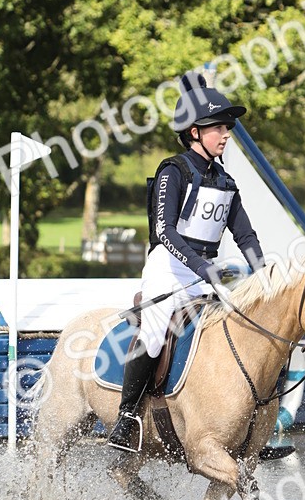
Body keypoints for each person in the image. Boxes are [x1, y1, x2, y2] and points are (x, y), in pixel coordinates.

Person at [109, 72, 265, 452]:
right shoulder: (173, 171)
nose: (227, 134)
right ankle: (127, 417)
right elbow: (165, 231)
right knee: (154, 329)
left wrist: (265, 273)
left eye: (228, 127)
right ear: (194, 132)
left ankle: (250, 427)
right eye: (219, 128)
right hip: (170, 267)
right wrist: (202, 268)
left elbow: (244, 235)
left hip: (202, 274)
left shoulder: (225, 182)